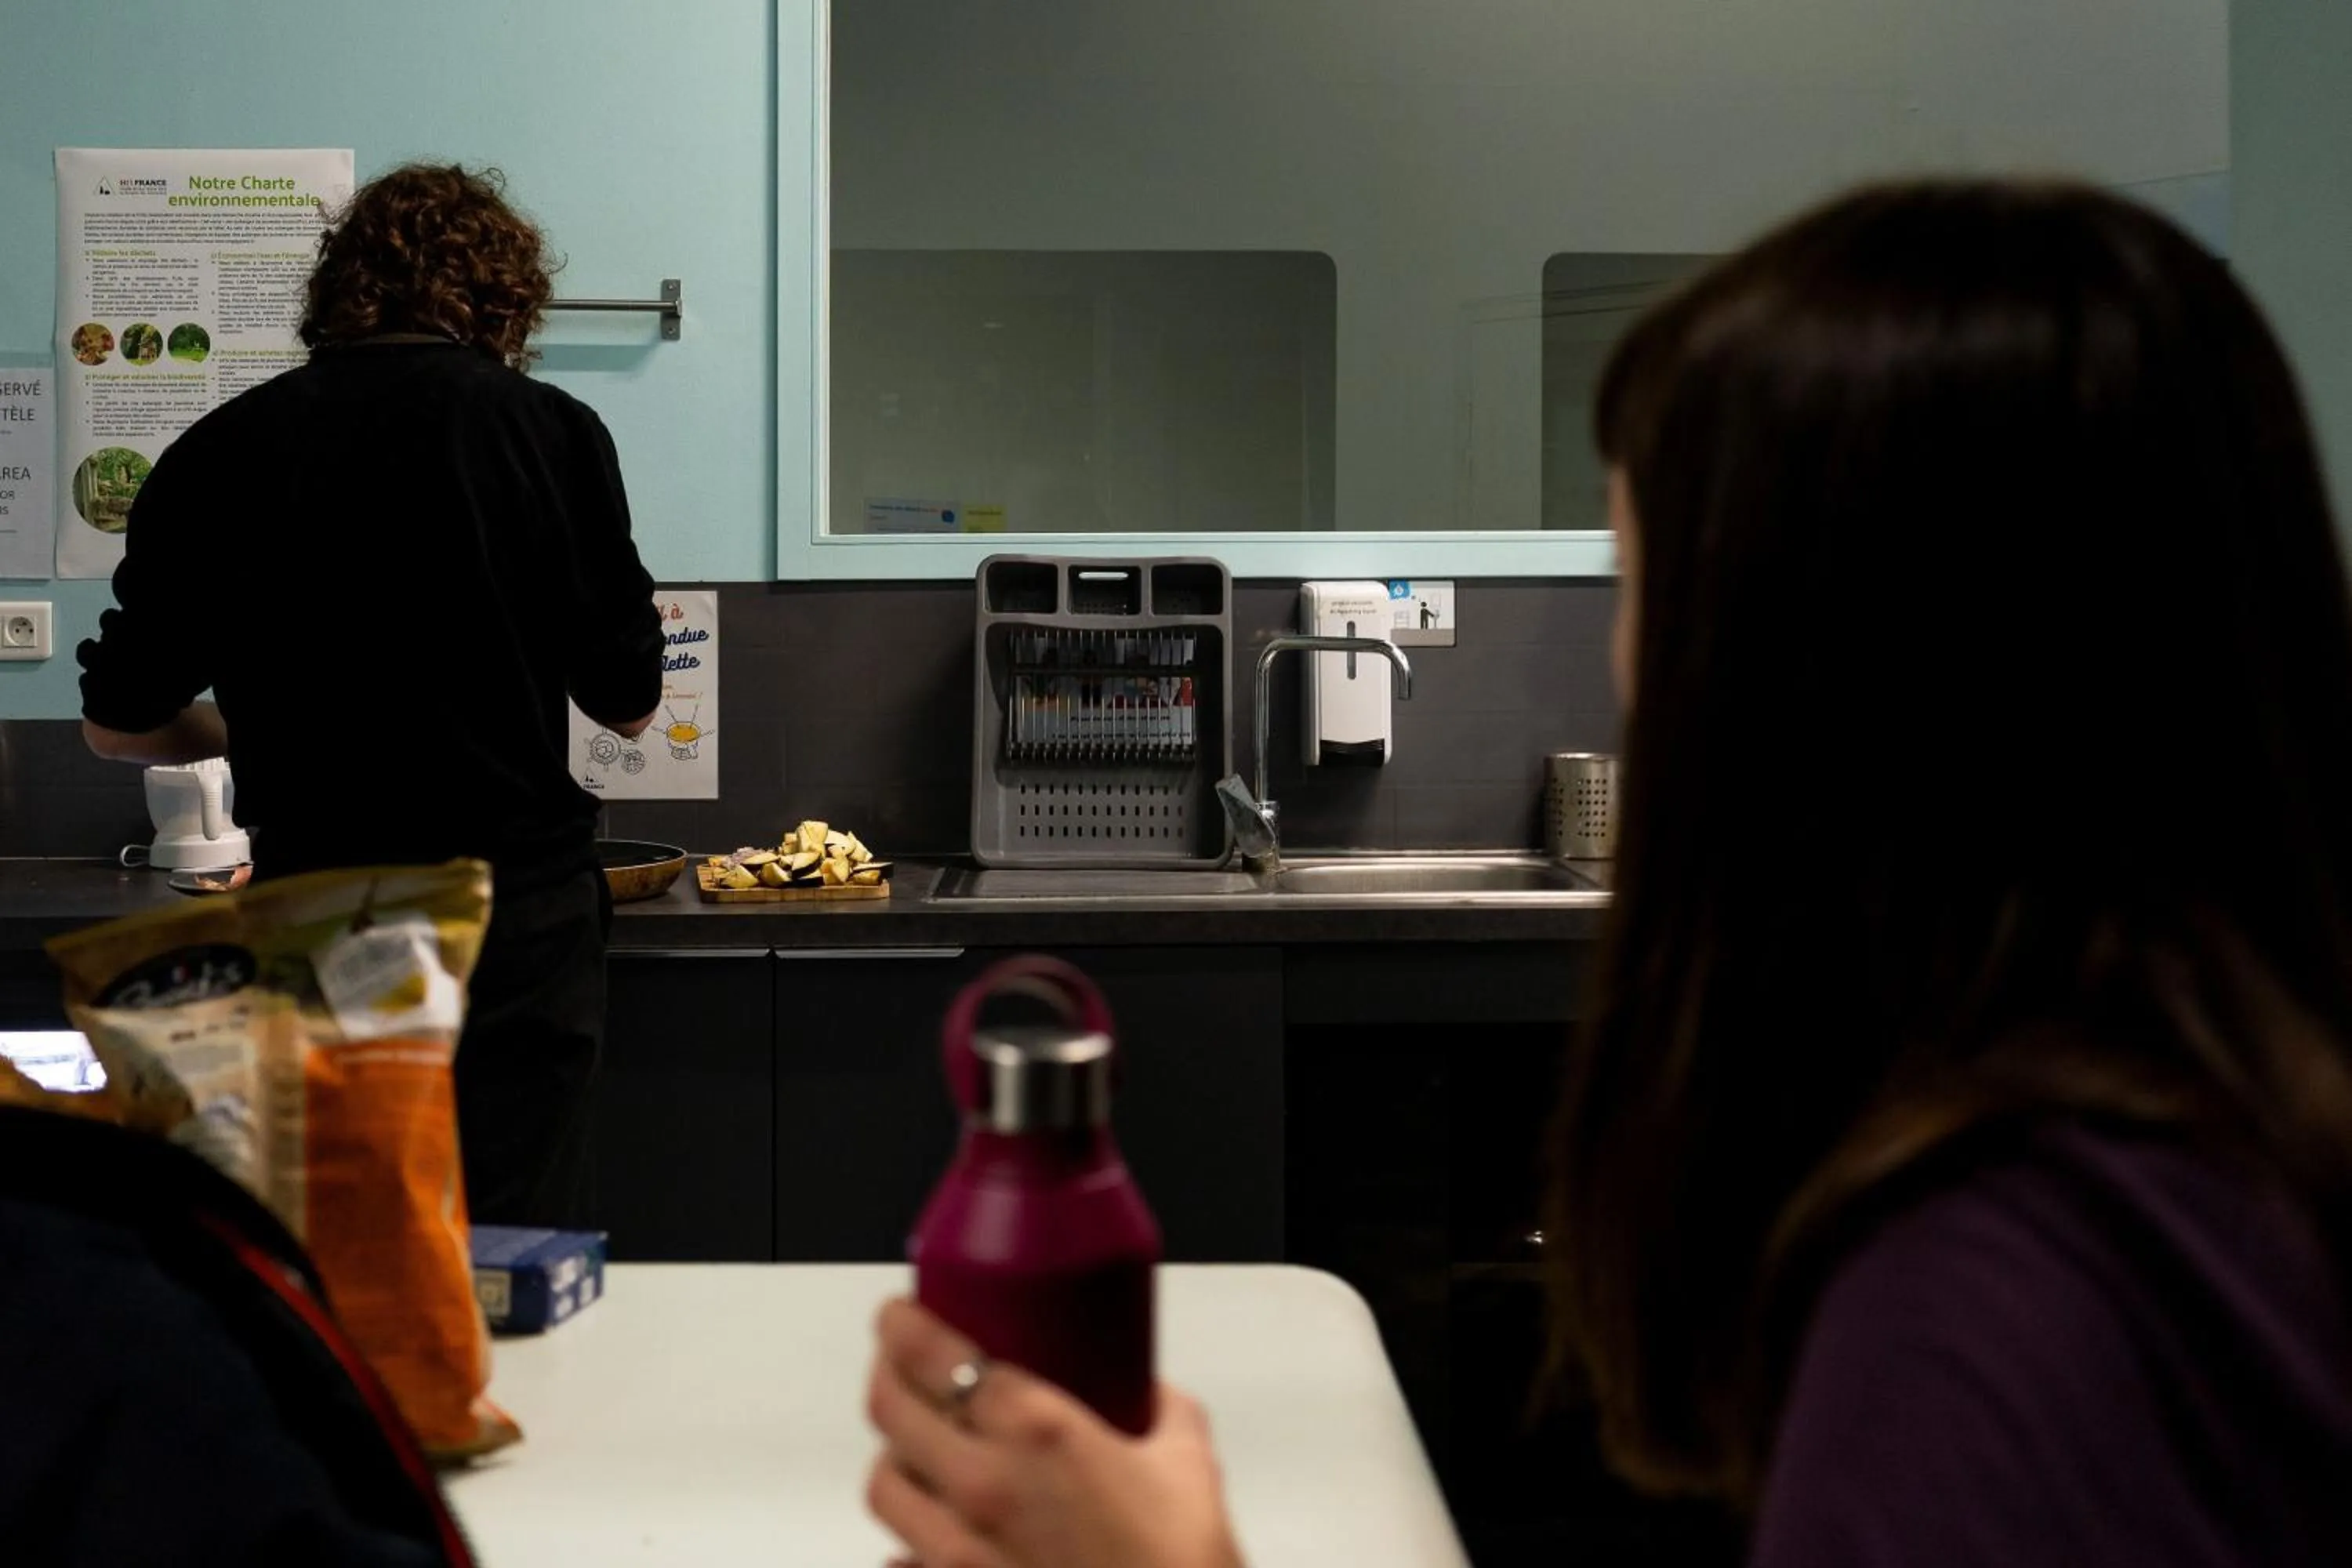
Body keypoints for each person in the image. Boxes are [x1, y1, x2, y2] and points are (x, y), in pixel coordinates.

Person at [862, 179, 2352, 1566]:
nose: (1629, 672)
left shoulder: (1994, 1320)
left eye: (1646, 589)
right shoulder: (2228, 1160)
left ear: (1822, 666)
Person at [78, 162, 663, 1228]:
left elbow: (118, 727)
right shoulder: (551, 433)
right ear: (502, 299)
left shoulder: (220, 452)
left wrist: (239, 727)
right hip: (514, 916)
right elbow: (626, 704)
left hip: (322, 912)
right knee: (513, 1240)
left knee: (350, 1239)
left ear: (337, 291)